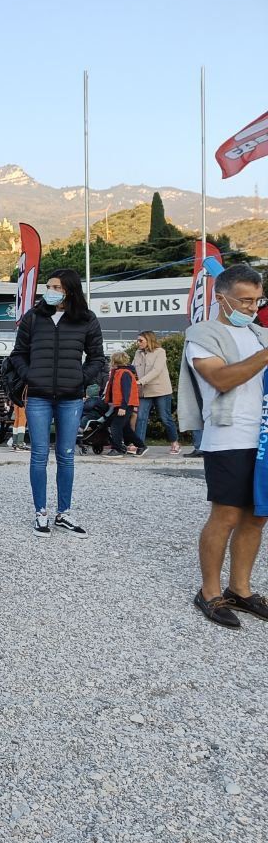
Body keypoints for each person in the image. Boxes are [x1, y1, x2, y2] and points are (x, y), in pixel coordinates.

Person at [178, 263, 268, 629]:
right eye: (244, 301)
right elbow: (221, 378)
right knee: (227, 515)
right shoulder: (203, 334)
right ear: (221, 298)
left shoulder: (262, 334)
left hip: (263, 436)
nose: (252, 308)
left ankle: (240, 588)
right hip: (229, 436)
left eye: (257, 301)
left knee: (257, 516)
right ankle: (210, 591)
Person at [7, 268, 107, 539]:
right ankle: (40, 512)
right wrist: (31, 376)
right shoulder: (33, 317)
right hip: (38, 396)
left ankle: (64, 512)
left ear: (69, 290)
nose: (49, 291)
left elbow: (98, 357)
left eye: (55, 287)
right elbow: (18, 354)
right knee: (38, 454)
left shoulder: (86, 319)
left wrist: (80, 379)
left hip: (71, 397)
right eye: (48, 286)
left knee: (66, 455)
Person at [132, 331, 180, 454]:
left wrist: (140, 382)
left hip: (160, 390)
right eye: (138, 340)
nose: (138, 343)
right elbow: (133, 368)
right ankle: (140, 445)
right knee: (141, 417)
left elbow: (156, 370)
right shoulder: (138, 353)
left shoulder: (160, 352)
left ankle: (175, 443)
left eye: (141, 340)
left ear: (149, 340)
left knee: (165, 418)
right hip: (144, 391)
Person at [104, 351, 147, 458]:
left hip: (124, 405)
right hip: (122, 405)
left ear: (115, 361)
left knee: (115, 426)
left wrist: (123, 407)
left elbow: (126, 392)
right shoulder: (121, 372)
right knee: (125, 428)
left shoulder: (124, 373)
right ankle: (141, 446)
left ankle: (118, 449)